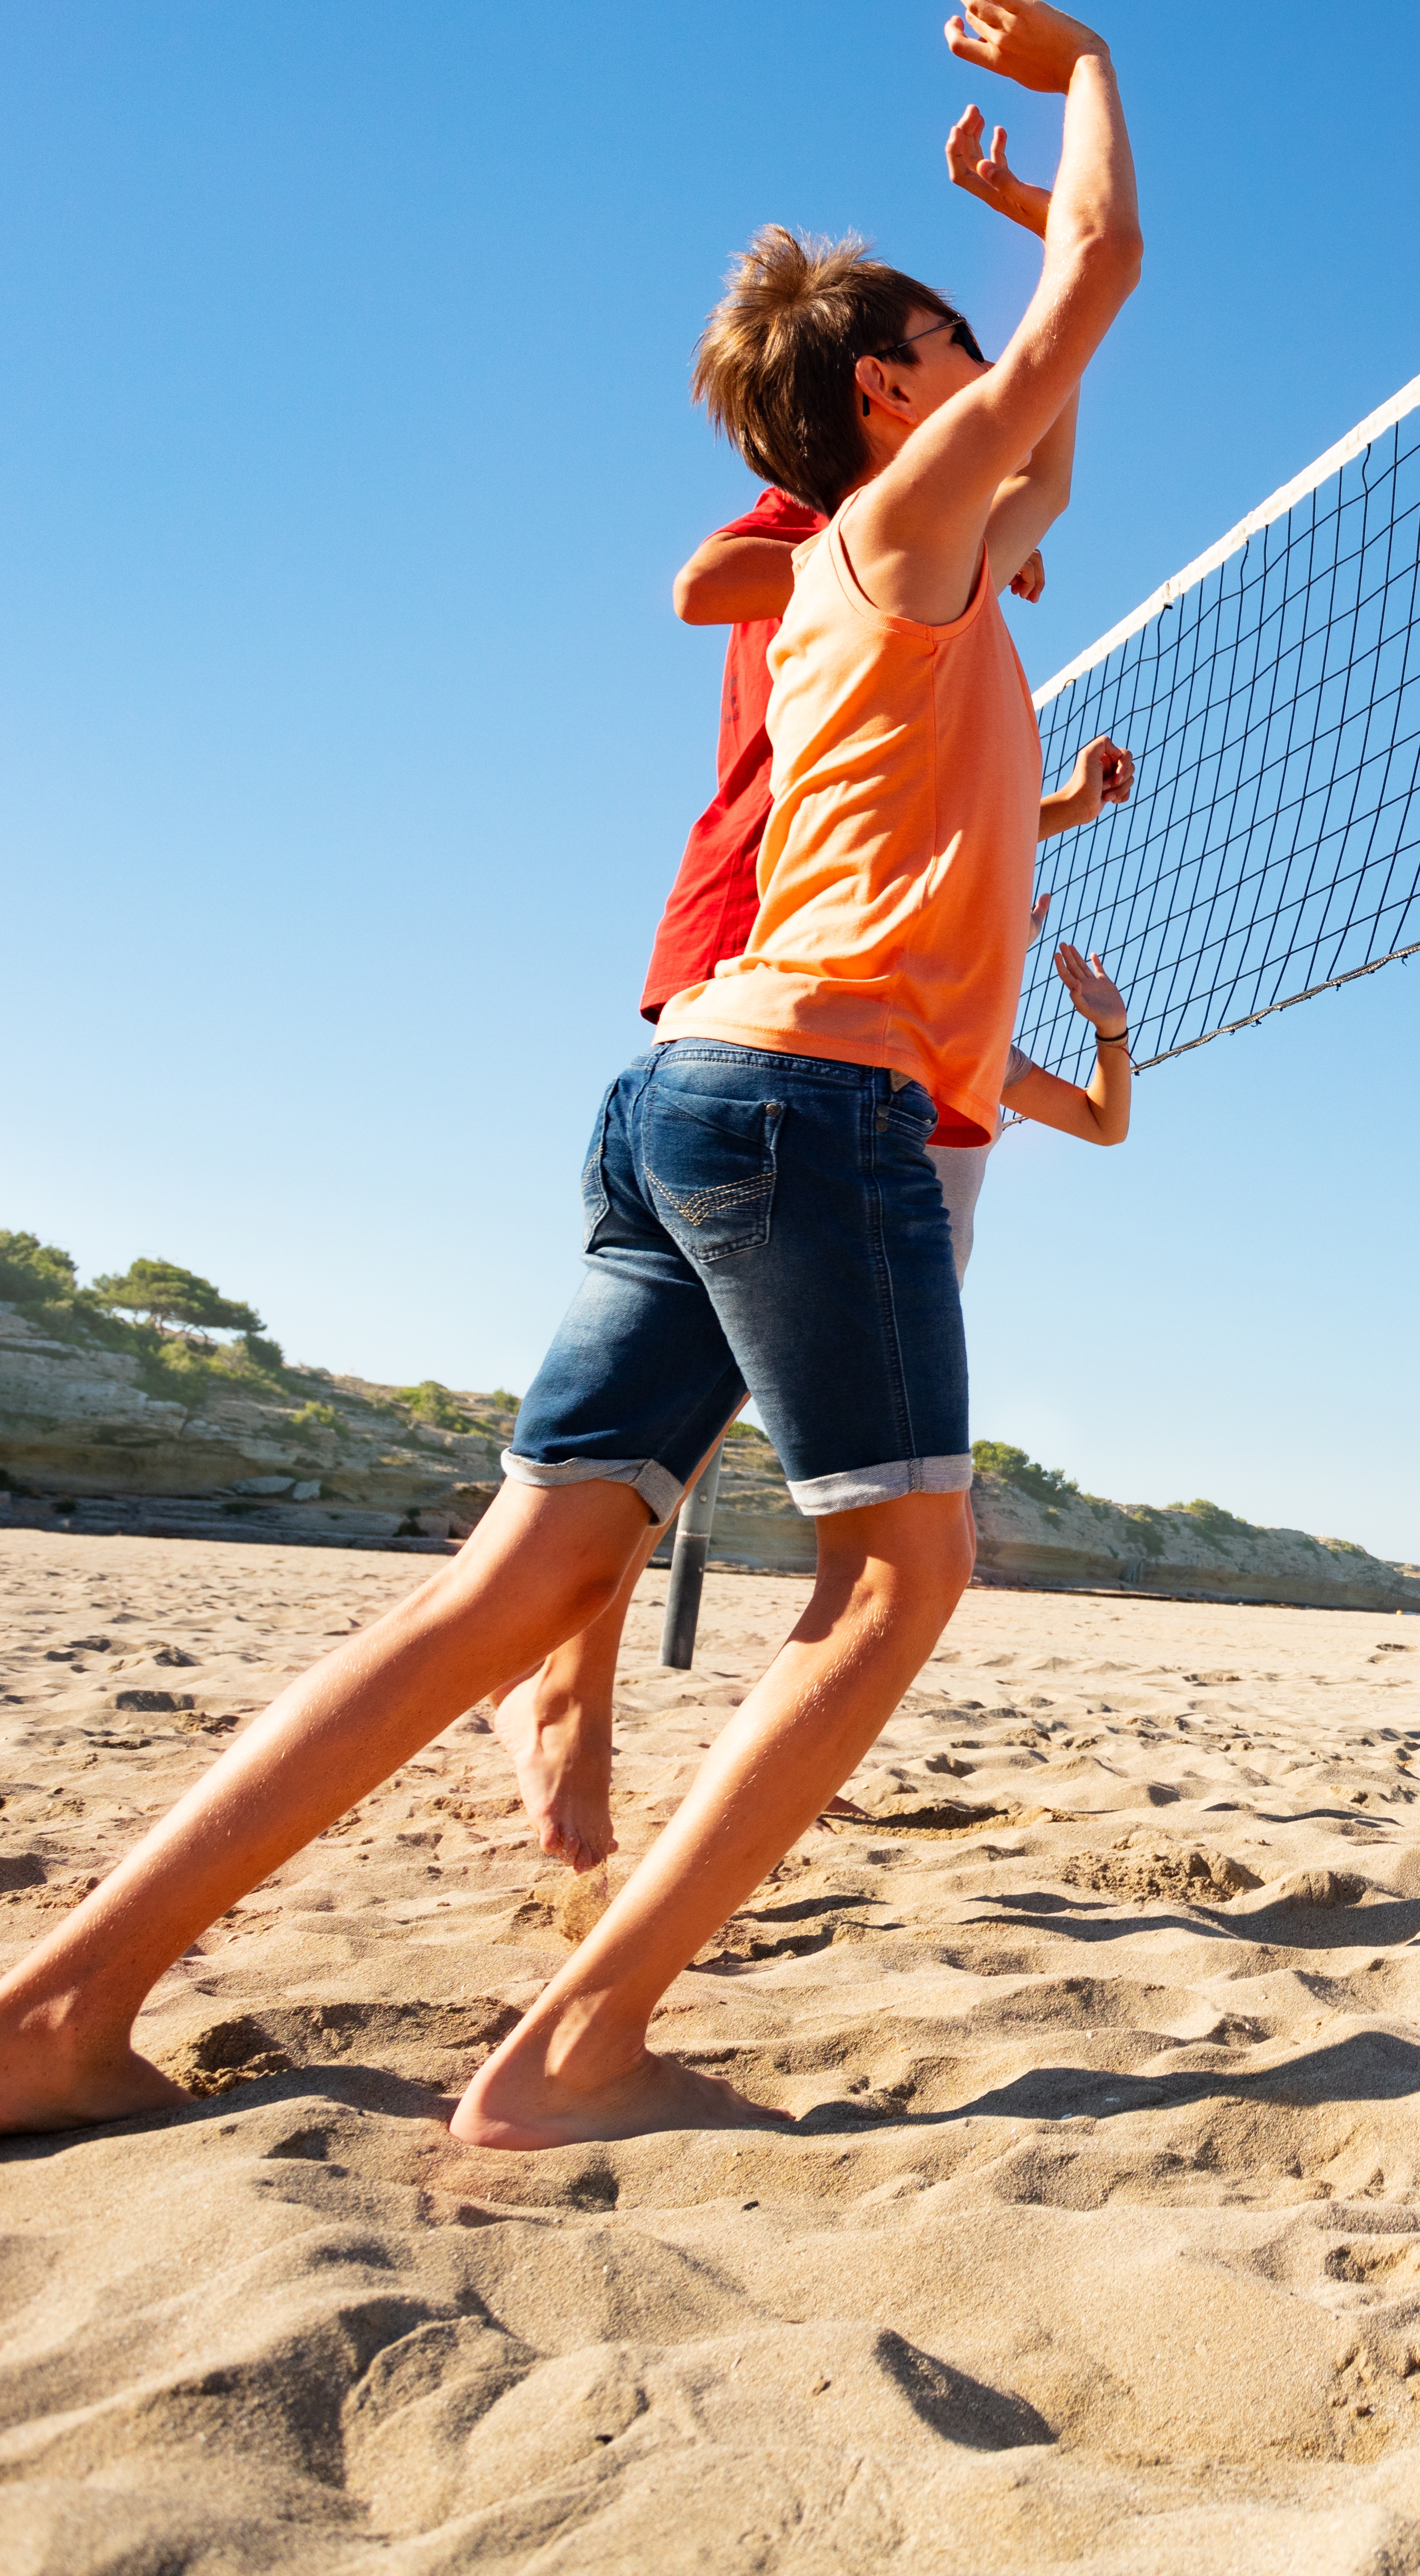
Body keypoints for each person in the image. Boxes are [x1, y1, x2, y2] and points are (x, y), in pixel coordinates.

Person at [0, 0, 1141, 2150]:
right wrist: (1096, 82)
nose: (987, 381)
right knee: (898, 1577)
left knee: (520, 1574)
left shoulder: (898, 564)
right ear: (881, 388)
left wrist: (1021, 234)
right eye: (944, 349)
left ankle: (43, 2011)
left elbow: (1059, 381)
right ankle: (578, 2048)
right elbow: (1100, 297)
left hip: (681, 1097)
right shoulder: (905, 528)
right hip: (810, 1105)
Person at [483, 395, 1140, 1874]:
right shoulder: (851, 542)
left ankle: (640, 1712)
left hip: (865, 1026)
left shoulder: (938, 639)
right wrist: (903, 531)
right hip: (766, 972)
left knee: (709, 1426)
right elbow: (705, 586)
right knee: (803, 1490)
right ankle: (576, 1688)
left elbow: (949, 826)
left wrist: (1064, 813)